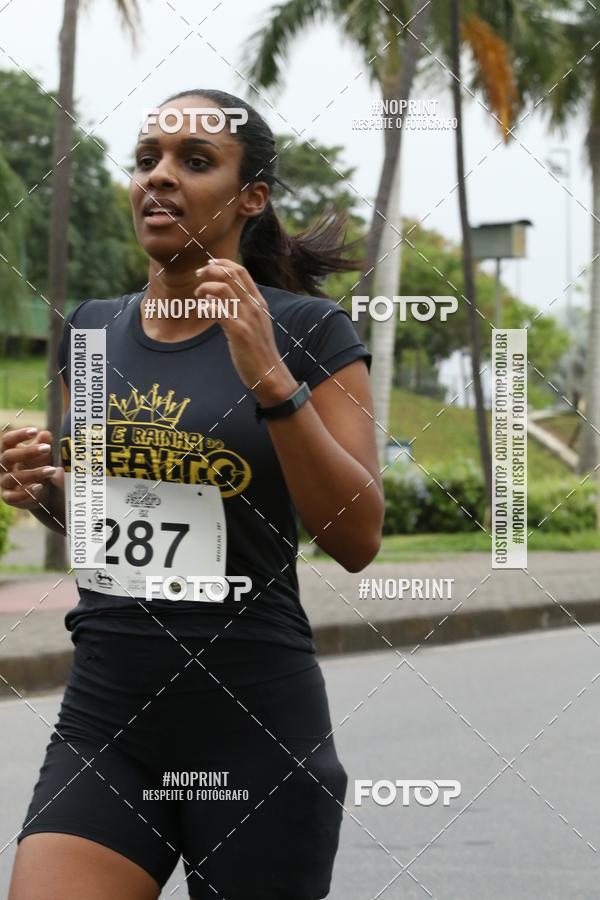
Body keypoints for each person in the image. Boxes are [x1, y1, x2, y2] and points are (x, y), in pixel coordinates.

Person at [3, 88, 384, 900]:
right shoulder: (93, 329)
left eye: (194, 160)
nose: (160, 177)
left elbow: (356, 539)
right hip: (110, 719)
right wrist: (42, 490)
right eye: (147, 160)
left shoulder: (309, 332)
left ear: (252, 197)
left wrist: (270, 378)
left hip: (255, 725)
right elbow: (106, 519)